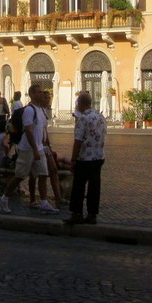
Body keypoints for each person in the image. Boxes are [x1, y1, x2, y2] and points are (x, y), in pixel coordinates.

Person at [0, 85, 58, 215]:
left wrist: (44, 146)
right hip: (27, 149)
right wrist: (35, 148)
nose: (43, 94)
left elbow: (41, 130)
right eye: (40, 92)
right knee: (20, 176)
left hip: (39, 148)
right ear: (33, 94)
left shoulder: (41, 110)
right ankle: (4, 198)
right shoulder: (29, 110)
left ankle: (44, 202)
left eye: (42, 92)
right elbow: (28, 131)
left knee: (43, 174)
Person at [64, 91, 106, 226]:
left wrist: (73, 159)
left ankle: (76, 214)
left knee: (78, 187)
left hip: (85, 158)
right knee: (94, 187)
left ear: (81, 104)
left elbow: (78, 140)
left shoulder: (83, 118)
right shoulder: (101, 117)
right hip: (98, 157)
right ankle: (92, 215)